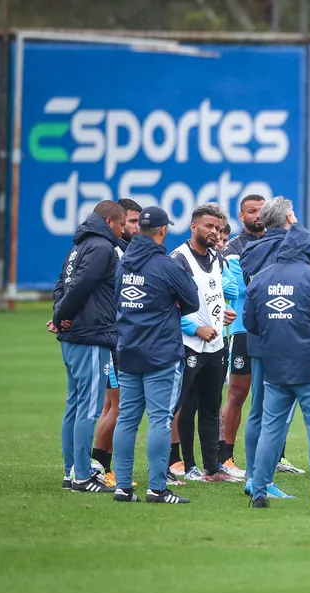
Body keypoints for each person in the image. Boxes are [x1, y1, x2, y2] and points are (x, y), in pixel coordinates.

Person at [244, 223, 310, 510]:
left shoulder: (261, 278)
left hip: (274, 367)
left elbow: (249, 323)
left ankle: (259, 492)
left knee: (270, 430)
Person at [241, 197, 310, 498]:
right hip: (293, 339)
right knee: (279, 415)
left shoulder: (250, 250)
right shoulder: (294, 247)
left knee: (258, 412)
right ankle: (265, 481)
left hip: (259, 336)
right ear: (289, 218)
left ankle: (253, 477)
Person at [111, 206, 200, 504]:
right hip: (160, 353)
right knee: (160, 420)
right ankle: (157, 488)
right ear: (163, 230)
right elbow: (191, 301)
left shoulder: (123, 264)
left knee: (127, 419)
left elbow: (117, 301)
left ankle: (123, 487)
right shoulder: (167, 265)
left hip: (128, 351)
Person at [52, 200, 124, 493]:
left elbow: (62, 285)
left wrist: (60, 313)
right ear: (109, 222)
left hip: (74, 336)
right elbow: (82, 285)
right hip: (92, 335)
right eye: (120, 225)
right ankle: (82, 474)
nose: (122, 231)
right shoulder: (102, 248)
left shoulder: (76, 248)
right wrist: (62, 315)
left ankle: (72, 471)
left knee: (74, 406)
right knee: (89, 409)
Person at [169, 204, 238, 482]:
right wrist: (195, 328)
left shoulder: (218, 258)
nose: (214, 232)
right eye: (209, 226)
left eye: (218, 229)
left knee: (211, 407)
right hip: (188, 344)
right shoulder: (178, 260)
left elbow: (222, 292)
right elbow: (167, 307)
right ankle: (176, 465)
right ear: (193, 227)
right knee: (178, 406)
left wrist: (224, 310)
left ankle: (211, 469)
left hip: (216, 345)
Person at [93, 197, 142, 485]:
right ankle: (100, 467)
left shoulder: (123, 250)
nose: (134, 227)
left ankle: (101, 467)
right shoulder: (112, 251)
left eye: (137, 221)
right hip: (114, 336)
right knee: (119, 406)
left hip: (118, 335)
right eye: (130, 222)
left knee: (112, 405)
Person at [220, 195, 265, 477]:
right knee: (238, 393)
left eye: (261, 210)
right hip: (243, 331)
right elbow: (240, 290)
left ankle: (277, 456)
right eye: (251, 211)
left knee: (273, 395)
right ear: (241, 216)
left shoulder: (278, 242)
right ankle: (226, 457)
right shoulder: (233, 250)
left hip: (276, 330)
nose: (257, 215)